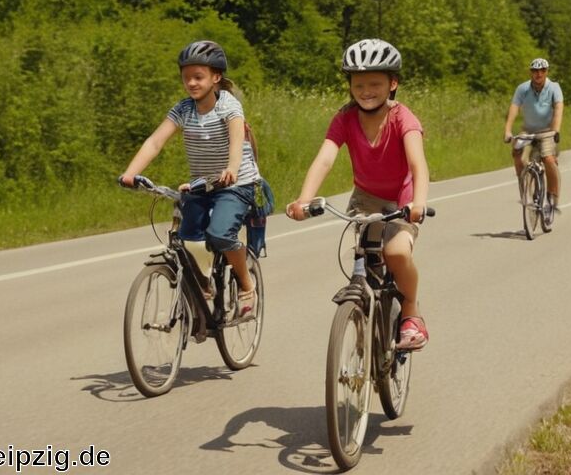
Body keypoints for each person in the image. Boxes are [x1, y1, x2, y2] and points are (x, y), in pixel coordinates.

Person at [286, 39, 432, 351]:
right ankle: (368, 317)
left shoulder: (403, 118)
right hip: (365, 199)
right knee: (363, 260)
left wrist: (418, 203)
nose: (366, 91)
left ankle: (410, 314)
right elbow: (325, 158)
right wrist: (304, 198)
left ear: (393, 84)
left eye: (375, 83)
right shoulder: (345, 118)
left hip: (402, 200)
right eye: (359, 84)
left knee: (395, 253)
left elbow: (418, 164)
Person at [117, 40, 260, 318]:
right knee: (187, 238)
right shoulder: (183, 109)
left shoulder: (228, 106)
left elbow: (235, 140)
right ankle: (202, 285)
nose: (192, 83)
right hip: (201, 184)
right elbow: (155, 141)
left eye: (198, 77)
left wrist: (231, 168)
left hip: (236, 184)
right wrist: (131, 173)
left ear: (215, 77)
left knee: (219, 234)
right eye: (187, 78)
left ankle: (246, 285)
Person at [503, 57, 564, 212]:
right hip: (528, 131)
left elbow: (558, 108)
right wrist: (508, 131)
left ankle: (552, 196)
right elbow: (514, 108)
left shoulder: (554, 87)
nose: (539, 74)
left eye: (542, 70)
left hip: (547, 131)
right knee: (516, 153)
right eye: (535, 71)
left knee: (548, 159)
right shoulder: (522, 89)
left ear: (546, 71)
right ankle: (525, 184)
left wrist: (556, 130)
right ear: (531, 72)